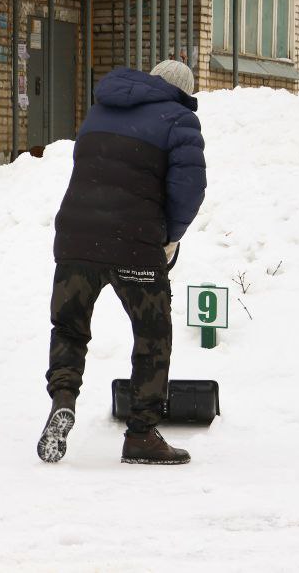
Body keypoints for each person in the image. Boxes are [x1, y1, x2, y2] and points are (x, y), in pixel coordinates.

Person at [38, 60, 206, 465]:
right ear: (184, 90)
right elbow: (189, 190)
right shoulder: (180, 118)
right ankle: (142, 435)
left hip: (76, 237)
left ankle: (63, 397)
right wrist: (170, 236)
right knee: (152, 336)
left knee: (69, 327)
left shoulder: (100, 111)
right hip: (133, 242)